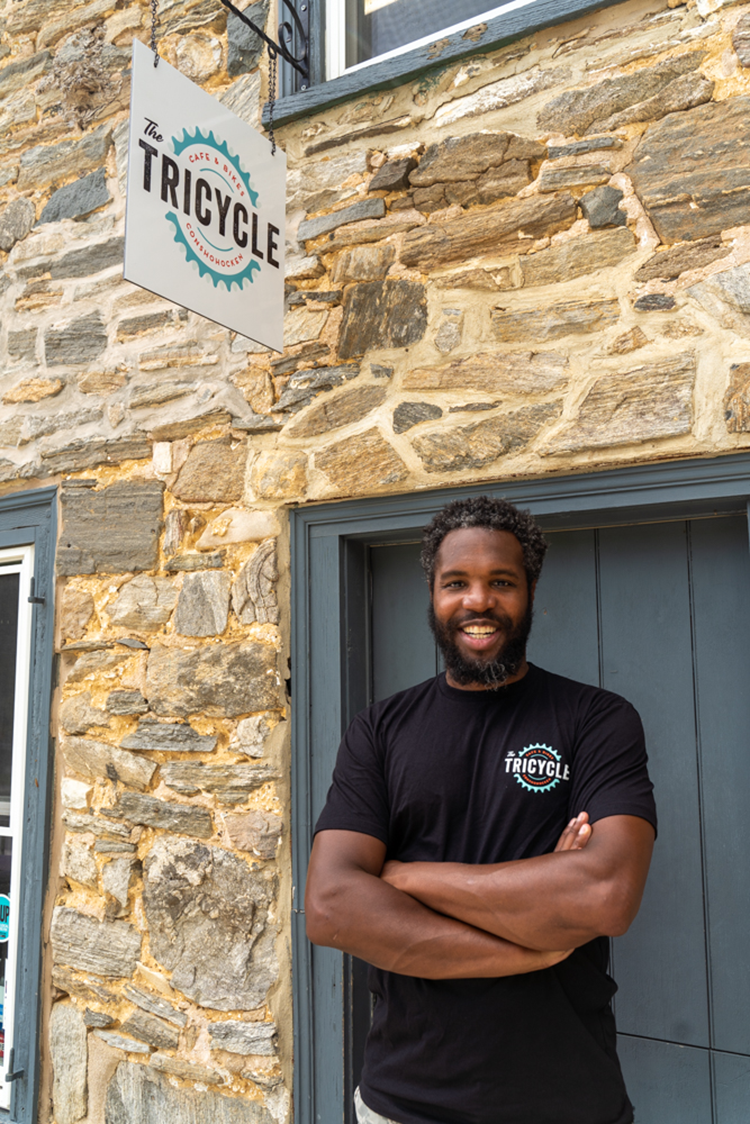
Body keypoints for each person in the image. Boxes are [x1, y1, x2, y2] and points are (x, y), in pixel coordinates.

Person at [306, 495, 657, 1124]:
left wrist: (404, 878)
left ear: (529, 592)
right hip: (404, 1102)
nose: (478, 601)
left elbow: (604, 893)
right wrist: (535, 941)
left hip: (566, 1100)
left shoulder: (597, 719)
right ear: (433, 595)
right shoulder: (380, 729)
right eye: (456, 583)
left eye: (501, 582)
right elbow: (332, 908)